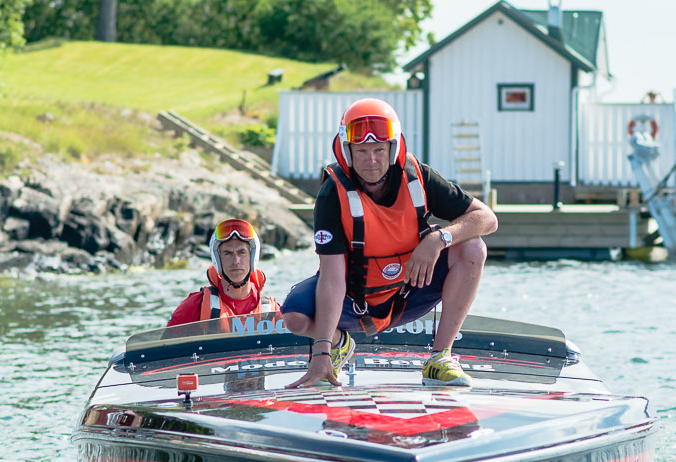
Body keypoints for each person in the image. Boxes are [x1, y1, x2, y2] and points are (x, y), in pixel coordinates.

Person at [282, 97, 498, 389]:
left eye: (379, 150)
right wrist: (321, 351)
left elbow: (487, 218)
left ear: (392, 148)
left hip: (409, 292)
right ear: (348, 151)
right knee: (294, 317)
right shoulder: (332, 193)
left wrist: (438, 239)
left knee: (474, 247)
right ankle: (339, 344)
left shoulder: (419, 177)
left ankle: (440, 357)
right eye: (362, 150)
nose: (371, 160)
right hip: (355, 301)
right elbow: (332, 278)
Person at [167, 218, 280, 326]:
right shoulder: (194, 307)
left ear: (252, 257)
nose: (236, 261)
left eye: (242, 252)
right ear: (218, 259)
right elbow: (166, 344)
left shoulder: (274, 311)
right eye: (228, 253)